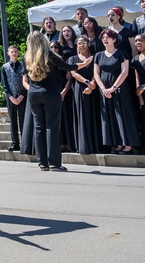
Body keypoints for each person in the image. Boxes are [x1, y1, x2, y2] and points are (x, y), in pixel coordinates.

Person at [24, 31, 81, 171]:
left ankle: (42, 163)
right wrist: (83, 64)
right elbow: (67, 67)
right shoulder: (49, 55)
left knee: (39, 129)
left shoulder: (26, 57)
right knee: (52, 128)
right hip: (50, 93)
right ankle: (54, 163)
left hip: (33, 94)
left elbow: (25, 76)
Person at [93, 30, 141, 154]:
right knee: (110, 117)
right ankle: (118, 143)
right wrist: (103, 89)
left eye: (108, 37)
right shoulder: (98, 55)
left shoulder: (121, 54)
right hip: (104, 91)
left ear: (114, 39)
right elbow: (96, 74)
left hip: (119, 89)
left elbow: (124, 72)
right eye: (103, 37)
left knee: (123, 116)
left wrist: (113, 88)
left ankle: (128, 144)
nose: (105, 39)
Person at [68, 37, 101, 155]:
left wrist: (92, 84)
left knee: (94, 114)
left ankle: (96, 145)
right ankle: (83, 145)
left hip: (94, 87)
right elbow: (73, 73)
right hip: (80, 88)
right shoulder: (72, 59)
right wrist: (87, 82)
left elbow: (96, 72)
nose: (81, 45)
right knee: (82, 115)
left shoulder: (95, 57)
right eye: (79, 43)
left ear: (88, 44)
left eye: (84, 43)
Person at [0, 45, 26, 152]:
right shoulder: (4, 68)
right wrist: (10, 96)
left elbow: (26, 81)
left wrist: (22, 95)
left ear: (18, 53)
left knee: (23, 120)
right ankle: (15, 143)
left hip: (22, 97)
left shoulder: (23, 66)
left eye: (16, 51)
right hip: (11, 98)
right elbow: (4, 84)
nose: (14, 53)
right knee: (13, 121)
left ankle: (25, 142)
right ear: (8, 53)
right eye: (12, 51)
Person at [50, 41, 76, 152]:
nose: (54, 49)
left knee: (67, 118)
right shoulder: (47, 63)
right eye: (51, 47)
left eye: (56, 47)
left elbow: (69, 78)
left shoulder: (63, 61)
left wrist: (64, 92)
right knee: (56, 120)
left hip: (64, 91)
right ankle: (59, 144)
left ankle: (69, 143)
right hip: (52, 92)